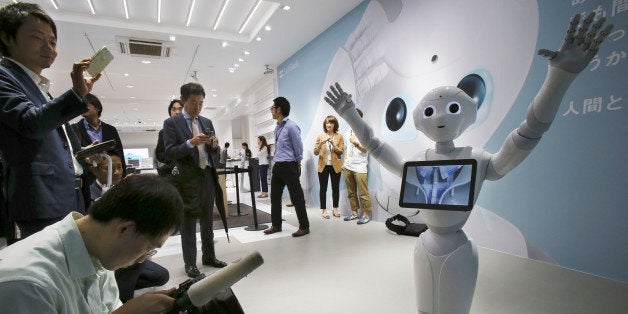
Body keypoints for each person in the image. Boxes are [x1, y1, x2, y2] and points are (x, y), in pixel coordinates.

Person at [0, 174, 182, 313]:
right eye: (149, 248)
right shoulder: (27, 284)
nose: (142, 260)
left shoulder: (99, 253)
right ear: (124, 229)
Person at [0, 2, 101, 238]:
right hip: (41, 198)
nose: (49, 48)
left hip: (70, 194)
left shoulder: (39, 88)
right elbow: (30, 123)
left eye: (53, 42)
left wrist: (82, 154)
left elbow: (52, 138)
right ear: (6, 37)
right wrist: (76, 94)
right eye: (37, 38)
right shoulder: (5, 78)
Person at [163, 82, 227, 278]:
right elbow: (169, 153)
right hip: (187, 178)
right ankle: (190, 263)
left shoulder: (206, 122)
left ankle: (209, 256)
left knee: (207, 219)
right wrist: (190, 143)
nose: (197, 107)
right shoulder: (171, 123)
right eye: (193, 103)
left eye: (201, 103)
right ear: (183, 100)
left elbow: (213, 152)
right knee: (188, 221)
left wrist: (214, 146)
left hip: (207, 175)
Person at [88, 154, 170, 303]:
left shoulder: (127, 190)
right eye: (109, 168)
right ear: (96, 171)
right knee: (130, 266)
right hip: (105, 251)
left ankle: (122, 287)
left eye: (119, 167)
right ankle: (124, 298)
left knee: (160, 275)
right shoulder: (87, 193)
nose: (117, 172)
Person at [263, 96, 310, 237]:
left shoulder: (291, 126)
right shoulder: (277, 127)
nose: (271, 110)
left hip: (290, 165)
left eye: (272, 108)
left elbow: (298, 147)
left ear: (279, 109)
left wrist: (298, 163)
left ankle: (304, 227)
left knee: (297, 197)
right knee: (275, 198)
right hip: (278, 165)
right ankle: (276, 225)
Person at [72, 93, 126, 208]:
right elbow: (76, 154)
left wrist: (123, 177)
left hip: (110, 175)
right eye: (81, 105)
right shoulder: (76, 129)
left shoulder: (110, 129)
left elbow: (119, 153)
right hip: (88, 177)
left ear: (97, 107)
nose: (83, 107)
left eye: (87, 104)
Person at [342, 108, 372, 224]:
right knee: (351, 192)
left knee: (363, 192)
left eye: (352, 117)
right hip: (348, 166)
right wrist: (344, 162)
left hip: (360, 166)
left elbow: (366, 150)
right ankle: (354, 213)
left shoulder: (365, 132)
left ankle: (365, 215)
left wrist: (355, 143)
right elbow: (347, 149)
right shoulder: (347, 132)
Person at [313, 115, 344, 219]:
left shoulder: (339, 136)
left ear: (334, 125)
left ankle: (335, 209)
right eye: (327, 123)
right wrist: (320, 144)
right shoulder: (320, 136)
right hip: (323, 166)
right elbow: (315, 152)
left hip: (335, 166)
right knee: (323, 188)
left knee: (335, 188)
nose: (328, 125)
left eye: (331, 123)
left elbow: (341, 151)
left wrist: (334, 144)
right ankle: (324, 210)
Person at [155, 99, 184, 177]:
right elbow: (159, 154)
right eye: (174, 109)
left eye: (180, 109)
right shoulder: (163, 132)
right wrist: (172, 159)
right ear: (170, 112)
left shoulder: (192, 129)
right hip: (172, 172)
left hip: (191, 173)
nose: (177, 112)